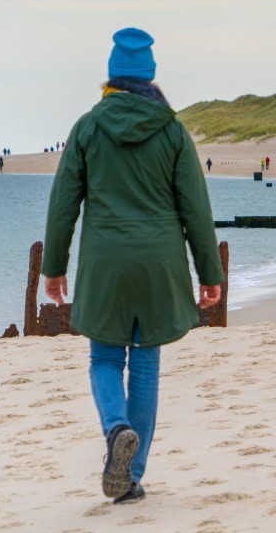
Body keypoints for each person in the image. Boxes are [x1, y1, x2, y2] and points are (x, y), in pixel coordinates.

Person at [42, 27, 222, 505]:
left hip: (106, 262)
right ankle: (131, 476)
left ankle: (116, 428)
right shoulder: (173, 130)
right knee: (145, 363)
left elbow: (64, 204)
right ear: (150, 76)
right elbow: (195, 210)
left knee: (104, 358)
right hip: (160, 262)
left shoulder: (88, 126)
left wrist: (54, 265)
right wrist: (210, 274)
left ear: (112, 76)